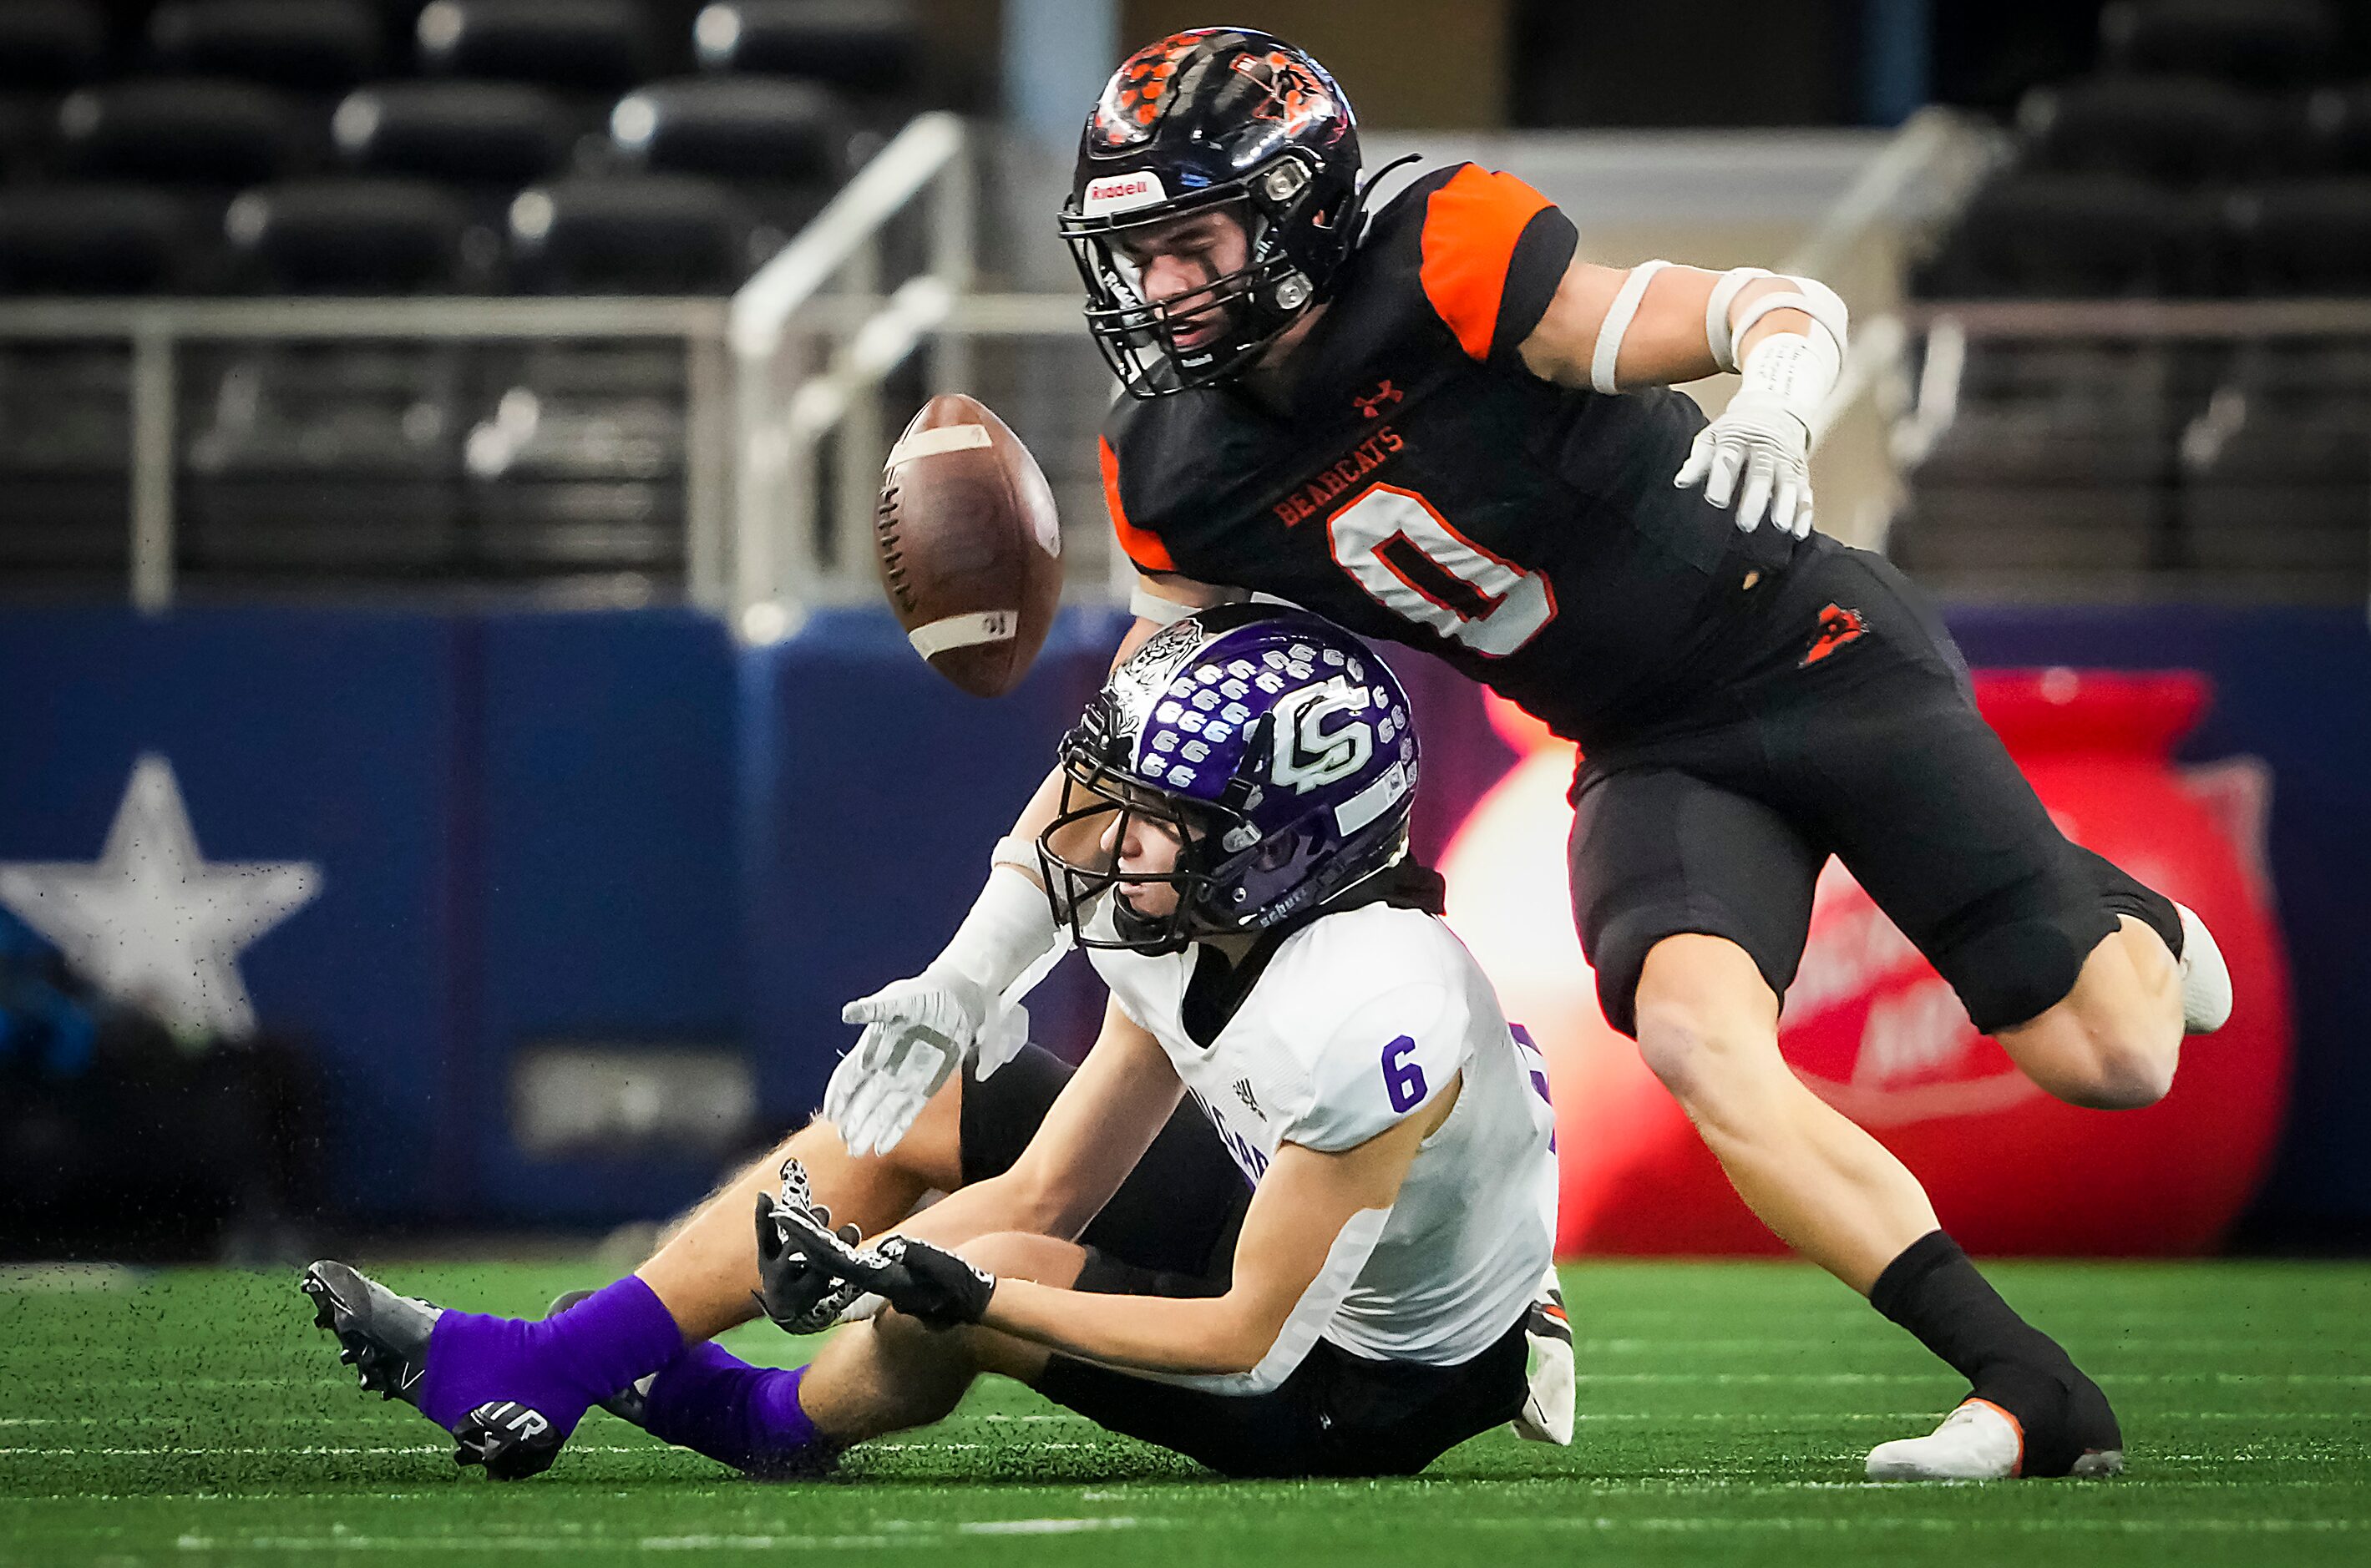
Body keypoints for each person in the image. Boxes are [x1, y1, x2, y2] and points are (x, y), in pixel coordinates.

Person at [823, 28, 2236, 1484]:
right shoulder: (1170, 466)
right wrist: (968, 969)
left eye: (1194, 240)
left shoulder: (1447, 251)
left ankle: (2128, 913)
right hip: (1643, 740)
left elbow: (1776, 304)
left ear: (1303, 204)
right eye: (1140, 251)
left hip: (1808, 649)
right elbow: (1130, 750)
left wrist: (1775, 401)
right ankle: (2027, 1385)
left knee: (2113, 1055)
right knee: (1694, 1036)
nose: (1164, 286)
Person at [304, 610, 1573, 1481]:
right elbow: (1052, 1184)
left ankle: (762, 1418)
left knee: (1001, 1272)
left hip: (1366, 1363)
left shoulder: (1367, 1007)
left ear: (1280, 848)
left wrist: (950, 1292)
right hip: (1310, 1198)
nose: (1111, 837)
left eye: (1159, 819)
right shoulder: (1205, 919)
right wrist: (870, 1261)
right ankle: (559, 1363)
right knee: (943, 1116)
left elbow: (1250, 1333)